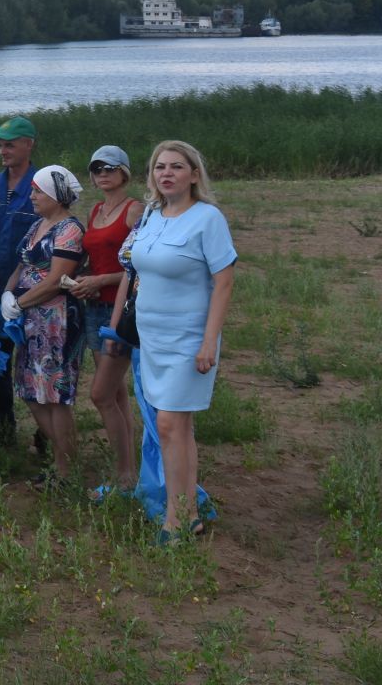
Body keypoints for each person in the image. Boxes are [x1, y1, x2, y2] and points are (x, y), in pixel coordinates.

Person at [119, 140, 237, 540]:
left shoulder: (208, 219)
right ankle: (188, 512)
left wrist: (209, 342)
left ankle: (176, 518)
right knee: (177, 427)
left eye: (176, 166)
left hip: (189, 338)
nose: (166, 173)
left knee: (169, 422)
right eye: (159, 167)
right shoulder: (152, 214)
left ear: (194, 174)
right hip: (153, 338)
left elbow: (223, 282)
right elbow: (138, 271)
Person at [1, 165, 87, 486]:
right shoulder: (38, 225)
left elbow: (55, 281)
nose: (33, 196)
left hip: (57, 322)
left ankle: (66, 470)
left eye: (38, 191)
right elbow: (22, 264)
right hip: (30, 322)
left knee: (55, 394)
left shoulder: (69, 230)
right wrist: (9, 293)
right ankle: (64, 457)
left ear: (56, 196)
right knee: (29, 389)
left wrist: (19, 302)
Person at [77, 145, 143, 497]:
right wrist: (83, 280)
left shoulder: (135, 211)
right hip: (94, 309)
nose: (102, 173)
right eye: (96, 168)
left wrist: (99, 282)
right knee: (116, 393)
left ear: (124, 172)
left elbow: (140, 267)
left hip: (121, 309)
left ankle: (125, 476)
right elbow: (99, 259)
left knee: (100, 394)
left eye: (109, 167)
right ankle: (128, 469)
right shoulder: (96, 210)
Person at [0, 117, 40, 440]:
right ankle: (5, 427)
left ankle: (47, 433)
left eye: (10, 144)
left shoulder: (41, 185)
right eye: (0, 144)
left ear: (29, 144)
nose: (3, 150)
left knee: (36, 365)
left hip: (33, 293)